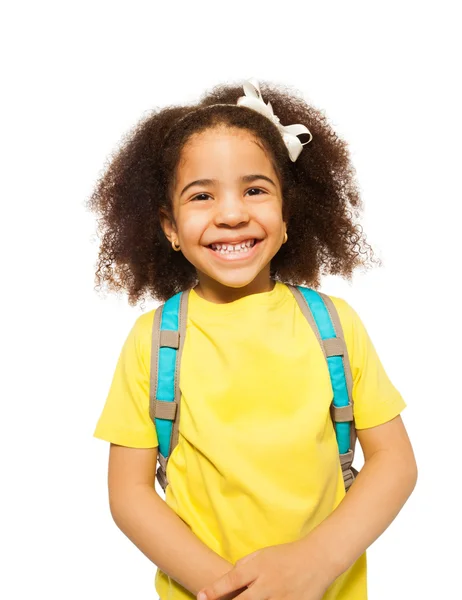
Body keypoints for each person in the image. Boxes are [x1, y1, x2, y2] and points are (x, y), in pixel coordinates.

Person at [89, 78, 417, 600]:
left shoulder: (333, 324)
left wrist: (316, 563)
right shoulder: (154, 341)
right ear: (170, 226)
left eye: (255, 189)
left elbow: (395, 462)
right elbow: (129, 494)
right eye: (202, 195)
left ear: (289, 214)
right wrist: (228, 590)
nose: (232, 213)